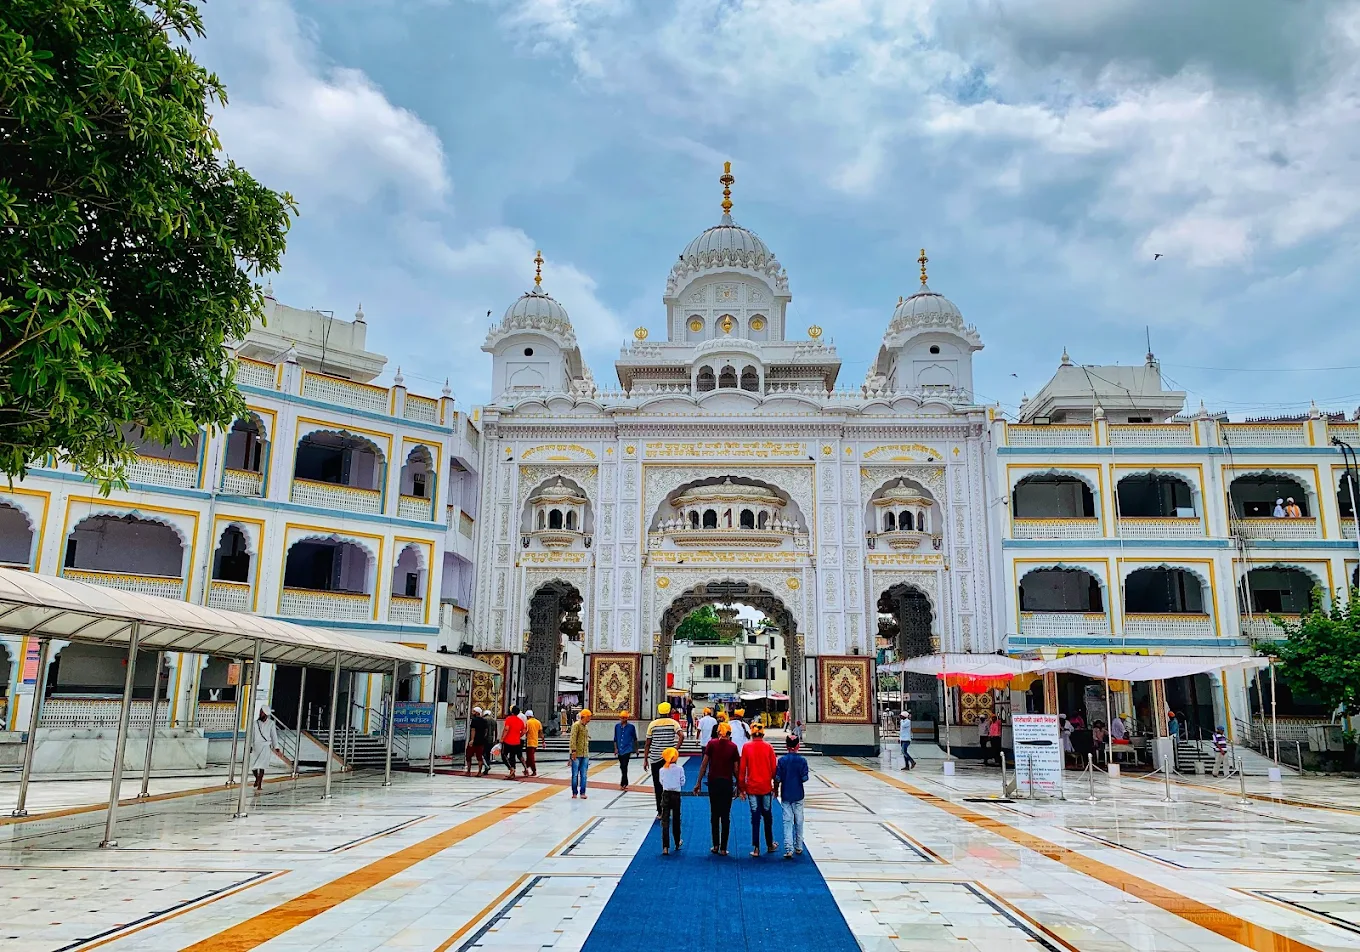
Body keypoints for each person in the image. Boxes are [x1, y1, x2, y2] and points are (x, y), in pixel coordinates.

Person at [694, 721, 740, 855]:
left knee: (714, 814)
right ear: (729, 734)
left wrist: (698, 782)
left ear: (718, 732)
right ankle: (724, 848)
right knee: (726, 815)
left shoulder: (711, 744)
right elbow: (736, 769)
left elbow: (704, 764)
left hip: (713, 782)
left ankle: (715, 845)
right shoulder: (733, 747)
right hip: (726, 783)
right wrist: (739, 784)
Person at [739, 723, 778, 857]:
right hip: (766, 787)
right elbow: (774, 769)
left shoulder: (746, 747)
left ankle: (756, 848)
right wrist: (775, 785)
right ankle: (770, 844)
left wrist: (741, 788)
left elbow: (742, 770)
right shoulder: (768, 747)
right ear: (762, 734)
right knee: (767, 815)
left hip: (752, 788)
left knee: (755, 817)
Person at [645, 702, 683, 818]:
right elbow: (682, 736)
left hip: (655, 758)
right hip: (669, 759)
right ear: (669, 711)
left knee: (658, 785)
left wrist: (645, 759)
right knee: (671, 784)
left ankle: (660, 811)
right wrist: (675, 749)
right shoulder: (673, 723)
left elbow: (647, 744)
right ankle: (671, 808)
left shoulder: (652, 724)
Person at [774, 735, 809, 859]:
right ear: (798, 746)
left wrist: (776, 788)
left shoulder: (782, 761)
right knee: (799, 820)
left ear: (786, 746)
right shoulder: (802, 761)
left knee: (787, 820)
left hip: (786, 793)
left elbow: (777, 777)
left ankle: (789, 848)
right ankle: (799, 846)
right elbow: (805, 778)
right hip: (798, 794)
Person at [658, 747, 685, 855]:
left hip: (666, 794)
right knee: (676, 818)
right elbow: (682, 782)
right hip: (676, 795)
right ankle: (677, 842)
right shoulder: (680, 769)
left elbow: (661, 782)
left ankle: (665, 846)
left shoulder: (662, 770)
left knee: (665, 820)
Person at [250, 706, 281, 792]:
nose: (260, 713)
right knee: (253, 766)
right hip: (256, 746)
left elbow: (273, 735)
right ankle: (257, 778)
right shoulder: (255, 723)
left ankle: (259, 784)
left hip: (266, 746)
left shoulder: (271, 723)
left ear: (266, 714)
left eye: (262, 712)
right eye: (260, 712)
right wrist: (250, 746)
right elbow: (252, 735)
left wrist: (276, 747)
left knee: (262, 766)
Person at [569, 709, 592, 799]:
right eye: (588, 717)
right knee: (575, 774)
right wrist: (573, 752)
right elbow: (573, 739)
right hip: (577, 754)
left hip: (585, 754)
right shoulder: (576, 725)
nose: (589, 719)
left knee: (584, 774)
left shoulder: (585, 727)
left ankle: (583, 792)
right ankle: (574, 792)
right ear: (584, 717)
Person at [613, 710, 638, 789]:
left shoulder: (631, 727)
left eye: (623, 718)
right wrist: (616, 748)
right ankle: (625, 781)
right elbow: (615, 738)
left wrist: (636, 749)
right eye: (621, 718)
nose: (622, 719)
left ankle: (623, 783)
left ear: (626, 718)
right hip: (620, 749)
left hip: (627, 749)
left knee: (624, 765)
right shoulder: (617, 727)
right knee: (622, 766)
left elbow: (635, 739)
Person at [501, 706, 525, 778]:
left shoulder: (509, 719)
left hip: (508, 741)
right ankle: (513, 772)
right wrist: (519, 735)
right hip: (517, 742)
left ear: (512, 712)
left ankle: (511, 769)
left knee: (504, 755)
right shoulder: (520, 721)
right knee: (512, 757)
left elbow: (506, 729)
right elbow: (524, 731)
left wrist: (502, 738)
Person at [466, 707, 488, 775]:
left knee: (468, 756)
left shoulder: (474, 720)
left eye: (473, 711)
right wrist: (483, 737)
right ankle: (479, 772)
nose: (472, 713)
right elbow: (486, 731)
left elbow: (473, 730)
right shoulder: (484, 721)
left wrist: (472, 740)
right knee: (479, 757)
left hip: (474, 741)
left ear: (477, 713)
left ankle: (468, 771)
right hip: (481, 741)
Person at [524, 709, 542, 777]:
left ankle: (534, 771)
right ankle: (526, 769)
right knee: (529, 758)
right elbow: (541, 732)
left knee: (531, 758)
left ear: (528, 716)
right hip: (535, 742)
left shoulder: (527, 722)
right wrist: (543, 742)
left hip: (529, 742)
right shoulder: (538, 722)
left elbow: (525, 731)